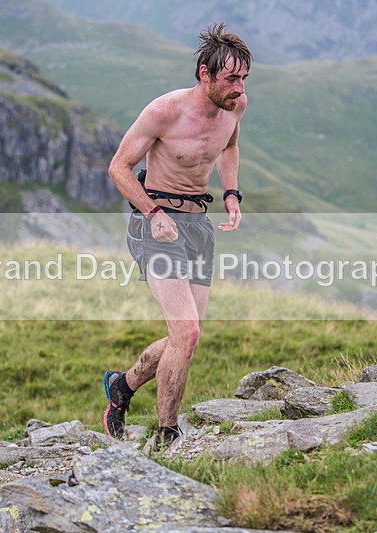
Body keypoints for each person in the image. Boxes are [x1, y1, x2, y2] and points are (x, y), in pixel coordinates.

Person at [102, 22, 252, 448]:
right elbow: (118, 167)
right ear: (205, 74)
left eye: (243, 79)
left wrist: (232, 193)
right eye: (231, 79)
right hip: (156, 225)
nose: (239, 89)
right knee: (186, 334)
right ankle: (167, 433)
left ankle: (122, 386)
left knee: (184, 336)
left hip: (197, 226)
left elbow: (228, 147)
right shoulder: (164, 111)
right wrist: (152, 212)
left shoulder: (235, 107)